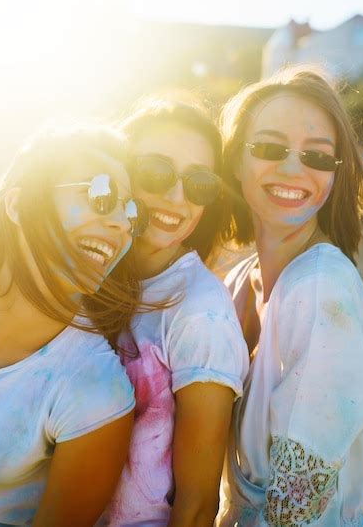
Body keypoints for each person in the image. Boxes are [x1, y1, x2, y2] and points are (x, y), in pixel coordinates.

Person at [0, 121, 152, 527]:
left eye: (130, 213)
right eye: (101, 194)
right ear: (18, 204)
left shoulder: (93, 388)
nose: (121, 223)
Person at [216, 67, 363, 526]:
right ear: (234, 161)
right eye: (269, 148)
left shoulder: (323, 293)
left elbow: (294, 514)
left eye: (318, 157)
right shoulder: (239, 282)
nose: (292, 169)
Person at [98, 96, 249, 527]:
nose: (177, 196)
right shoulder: (93, 273)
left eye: (198, 183)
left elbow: (198, 506)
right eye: (155, 172)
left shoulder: (200, 312)